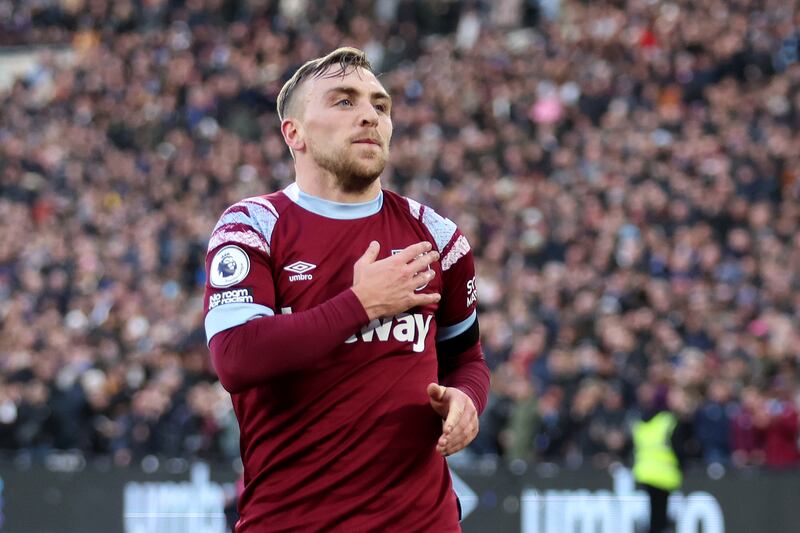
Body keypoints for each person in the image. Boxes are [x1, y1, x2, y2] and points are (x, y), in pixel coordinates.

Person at [203, 47, 490, 532]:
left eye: (380, 106)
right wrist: (360, 305)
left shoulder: (437, 237)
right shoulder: (253, 225)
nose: (368, 116)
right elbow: (235, 358)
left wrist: (466, 401)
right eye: (343, 101)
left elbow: (468, 358)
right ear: (294, 134)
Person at [632, 384, 689, 533]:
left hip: (644, 472)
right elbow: (678, 448)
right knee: (660, 519)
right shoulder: (668, 420)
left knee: (653, 516)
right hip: (664, 474)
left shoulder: (642, 420)